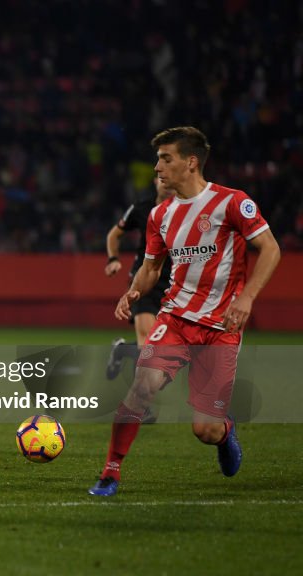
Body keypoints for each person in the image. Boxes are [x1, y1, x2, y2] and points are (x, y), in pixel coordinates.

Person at [89, 126, 281, 497]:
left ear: (190, 162)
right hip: (175, 319)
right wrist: (133, 291)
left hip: (220, 327)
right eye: (158, 159)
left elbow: (270, 249)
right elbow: (151, 270)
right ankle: (110, 472)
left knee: (204, 430)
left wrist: (248, 298)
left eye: (166, 158)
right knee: (141, 387)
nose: (157, 167)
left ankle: (224, 432)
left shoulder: (231, 202)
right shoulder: (160, 215)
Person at [103, 176, 175, 380]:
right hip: (144, 281)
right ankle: (142, 409)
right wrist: (113, 259)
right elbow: (113, 235)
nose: (166, 183)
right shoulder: (142, 208)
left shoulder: (185, 211)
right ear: (155, 182)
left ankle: (122, 350)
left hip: (174, 285)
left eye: (170, 180)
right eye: (163, 179)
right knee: (148, 347)